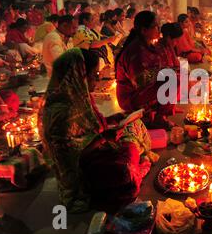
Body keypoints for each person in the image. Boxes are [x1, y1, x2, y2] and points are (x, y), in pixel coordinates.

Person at [42, 48, 155, 213]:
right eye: (93, 75)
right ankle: (133, 167)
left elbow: (93, 125)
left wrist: (112, 120)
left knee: (134, 124)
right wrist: (103, 138)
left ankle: (132, 160)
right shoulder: (60, 111)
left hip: (101, 146)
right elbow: (70, 158)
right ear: (79, 75)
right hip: (85, 169)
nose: (96, 81)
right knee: (123, 171)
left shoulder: (80, 96)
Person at [115, 11, 175, 130]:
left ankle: (160, 112)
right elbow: (141, 82)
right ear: (144, 30)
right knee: (171, 81)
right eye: (155, 26)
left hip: (142, 90)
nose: (159, 29)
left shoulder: (147, 45)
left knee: (174, 77)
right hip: (130, 97)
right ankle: (156, 117)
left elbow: (163, 64)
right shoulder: (136, 50)